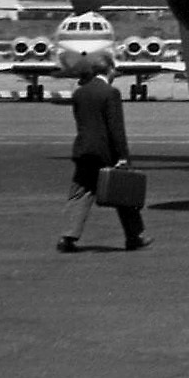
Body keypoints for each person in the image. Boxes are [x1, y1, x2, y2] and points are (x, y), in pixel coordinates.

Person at [58, 59, 149, 253]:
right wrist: (123, 156)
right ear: (109, 71)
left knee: (79, 194)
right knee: (123, 194)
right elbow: (116, 128)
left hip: (83, 150)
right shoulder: (111, 93)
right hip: (105, 152)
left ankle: (68, 236)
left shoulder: (80, 92)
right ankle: (135, 236)